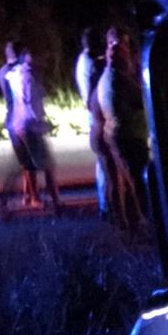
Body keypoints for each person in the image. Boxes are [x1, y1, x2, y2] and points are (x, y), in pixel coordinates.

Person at [0, 46, 61, 216]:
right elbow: (28, 104)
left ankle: (3, 204)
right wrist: (42, 124)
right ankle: (57, 206)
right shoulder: (28, 77)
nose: (43, 61)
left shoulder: (15, 74)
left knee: (21, 166)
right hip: (29, 127)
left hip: (17, 124)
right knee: (48, 166)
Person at [97, 25, 148, 231]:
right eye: (126, 53)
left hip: (117, 135)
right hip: (128, 135)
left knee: (126, 180)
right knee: (138, 179)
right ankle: (147, 221)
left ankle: (131, 224)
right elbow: (143, 99)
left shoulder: (107, 77)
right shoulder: (118, 79)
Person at [0, 41, 40, 211]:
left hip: (10, 119)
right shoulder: (19, 72)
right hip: (21, 119)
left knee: (23, 161)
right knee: (30, 161)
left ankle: (27, 195)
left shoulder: (2, 71)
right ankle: (33, 197)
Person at [74, 27, 108, 217]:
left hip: (93, 113)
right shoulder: (91, 64)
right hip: (96, 113)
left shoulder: (83, 60)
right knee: (104, 161)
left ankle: (106, 203)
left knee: (102, 161)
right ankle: (105, 204)